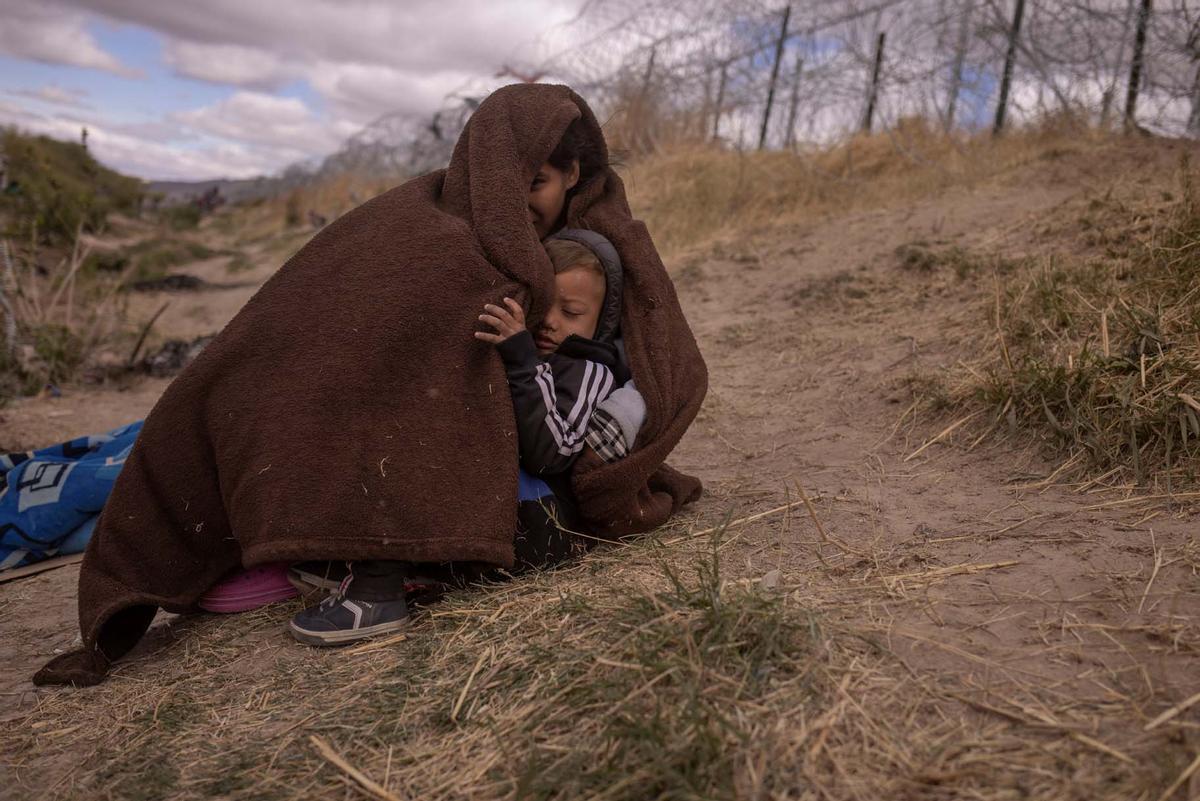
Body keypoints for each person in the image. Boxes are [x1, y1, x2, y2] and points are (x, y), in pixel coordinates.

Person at [287, 229, 645, 646]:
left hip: (541, 521)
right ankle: (395, 569)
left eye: (571, 311)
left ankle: (376, 594)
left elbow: (554, 454)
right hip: (499, 510)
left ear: (602, 322)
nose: (550, 320)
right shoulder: (513, 350)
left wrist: (524, 363)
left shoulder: (588, 371)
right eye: (542, 304)